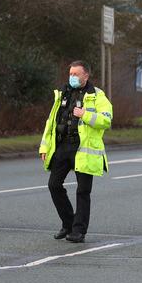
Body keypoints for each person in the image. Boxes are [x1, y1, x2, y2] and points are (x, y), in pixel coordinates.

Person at [38, 60, 112, 243]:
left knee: (83, 191)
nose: (72, 77)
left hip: (83, 149)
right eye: (70, 74)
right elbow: (51, 122)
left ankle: (79, 231)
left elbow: (106, 120)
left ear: (86, 75)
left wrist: (85, 115)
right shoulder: (62, 93)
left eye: (76, 74)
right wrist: (44, 146)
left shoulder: (97, 96)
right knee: (54, 185)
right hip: (62, 147)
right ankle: (68, 223)